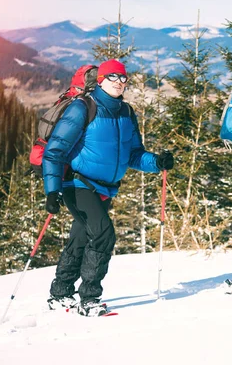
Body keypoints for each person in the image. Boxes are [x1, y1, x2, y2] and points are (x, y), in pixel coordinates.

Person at [43, 59, 174, 316]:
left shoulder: (125, 112)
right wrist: (52, 189)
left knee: (81, 236)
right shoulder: (84, 108)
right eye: (112, 77)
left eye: (123, 78)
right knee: (103, 235)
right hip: (77, 183)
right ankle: (89, 300)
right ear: (101, 80)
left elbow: (134, 154)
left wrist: (157, 162)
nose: (118, 82)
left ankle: (60, 293)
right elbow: (55, 150)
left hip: (105, 188)